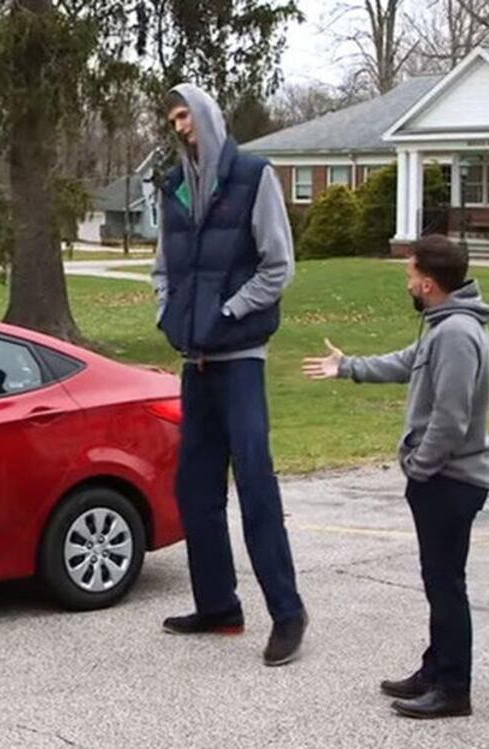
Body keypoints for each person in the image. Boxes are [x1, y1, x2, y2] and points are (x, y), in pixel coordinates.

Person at [302, 235, 489, 719]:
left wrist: (421, 467)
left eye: (410, 274)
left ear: (428, 284)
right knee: (439, 581)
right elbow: (408, 362)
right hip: (444, 478)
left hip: (450, 480)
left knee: (446, 584)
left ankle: (453, 689)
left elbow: (451, 418)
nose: (407, 281)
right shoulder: (444, 325)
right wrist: (347, 367)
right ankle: (436, 670)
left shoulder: (456, 334)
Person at [152, 83, 307, 666]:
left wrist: (228, 312)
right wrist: (168, 313)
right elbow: (163, 266)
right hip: (195, 361)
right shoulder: (173, 186)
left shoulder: (253, 176)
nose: (180, 126)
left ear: (207, 115)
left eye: (185, 114)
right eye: (171, 118)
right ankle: (218, 606)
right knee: (195, 489)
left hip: (241, 360)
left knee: (256, 487)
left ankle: (288, 613)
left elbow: (278, 266)